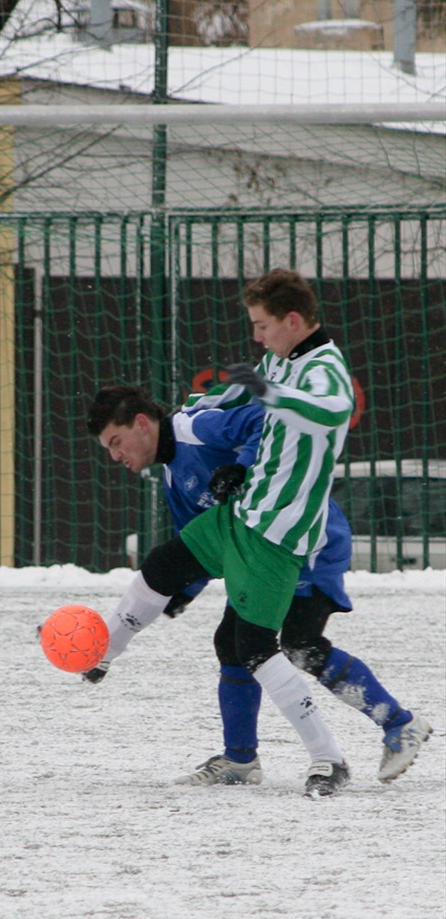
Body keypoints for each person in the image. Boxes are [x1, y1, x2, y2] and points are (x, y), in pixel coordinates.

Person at [79, 269, 389, 797]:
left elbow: (331, 410)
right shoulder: (277, 362)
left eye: (262, 324)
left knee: (262, 647)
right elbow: (245, 408)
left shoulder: (323, 370)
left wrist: (258, 419)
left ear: (292, 321)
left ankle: (331, 757)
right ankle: (102, 651)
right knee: (165, 565)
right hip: (242, 519)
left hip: (280, 533)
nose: (256, 335)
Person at [86, 385, 431, 786]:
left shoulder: (198, 428)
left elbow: (268, 422)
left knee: (299, 646)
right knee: (232, 643)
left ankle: (399, 725)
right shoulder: (172, 477)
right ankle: (240, 760)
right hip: (256, 551)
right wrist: (182, 589)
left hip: (307, 541)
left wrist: (242, 466)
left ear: (142, 424)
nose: (115, 455)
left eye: (116, 441)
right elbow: (202, 543)